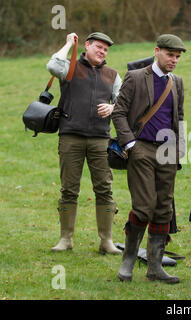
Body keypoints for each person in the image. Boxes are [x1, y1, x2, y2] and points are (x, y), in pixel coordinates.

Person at [112, 34, 186, 284]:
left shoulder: (177, 82)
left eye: (177, 57)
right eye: (170, 55)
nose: (174, 60)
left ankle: (154, 268)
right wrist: (130, 143)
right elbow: (119, 112)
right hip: (141, 147)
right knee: (144, 207)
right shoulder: (135, 77)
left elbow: (180, 116)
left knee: (163, 209)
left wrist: (181, 148)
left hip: (168, 150)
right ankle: (128, 261)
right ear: (157, 51)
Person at [47, 32, 122, 254]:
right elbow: (52, 65)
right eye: (98, 47)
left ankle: (106, 241)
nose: (102, 51)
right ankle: (65, 239)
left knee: (104, 188)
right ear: (86, 46)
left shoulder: (112, 75)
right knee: (69, 189)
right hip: (70, 136)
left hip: (100, 139)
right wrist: (69, 43)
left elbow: (124, 103)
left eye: (106, 49)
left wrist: (112, 108)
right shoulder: (70, 68)